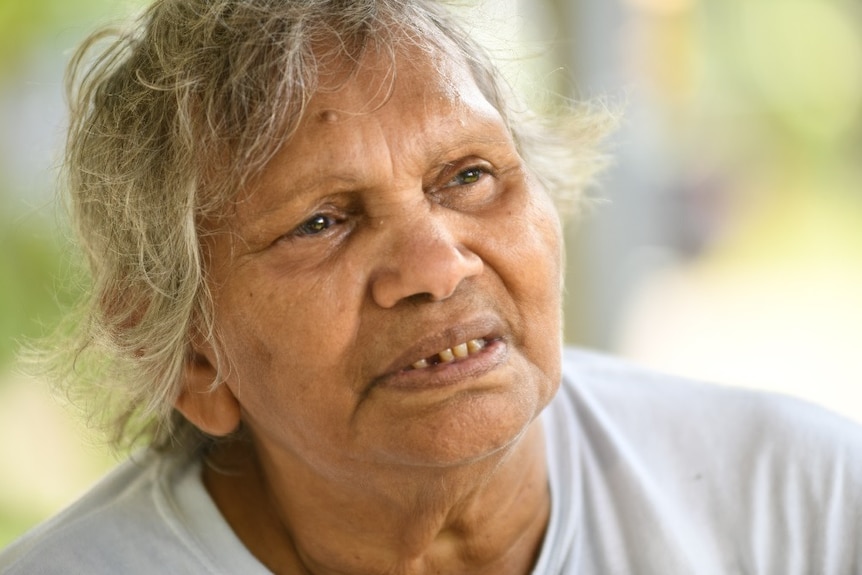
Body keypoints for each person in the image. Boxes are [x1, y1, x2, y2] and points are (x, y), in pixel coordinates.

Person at [2, 1, 861, 573]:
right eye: (321, 222)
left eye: (469, 175)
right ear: (194, 358)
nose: (438, 264)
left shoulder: (797, 504)